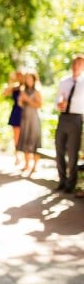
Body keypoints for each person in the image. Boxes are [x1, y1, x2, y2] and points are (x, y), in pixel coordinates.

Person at [54, 54, 84, 194]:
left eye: (79, 64)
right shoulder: (64, 81)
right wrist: (59, 104)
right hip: (63, 117)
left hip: (76, 119)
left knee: (73, 153)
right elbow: (57, 100)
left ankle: (71, 184)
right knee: (59, 150)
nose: (75, 66)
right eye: (74, 63)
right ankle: (62, 180)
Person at [16, 70, 43, 176]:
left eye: (30, 78)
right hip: (25, 118)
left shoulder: (37, 91)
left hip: (34, 118)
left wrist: (27, 99)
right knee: (25, 139)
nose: (28, 80)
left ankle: (35, 165)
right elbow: (21, 104)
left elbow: (39, 105)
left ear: (34, 79)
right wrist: (21, 101)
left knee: (34, 140)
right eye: (26, 78)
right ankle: (27, 164)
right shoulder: (23, 90)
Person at [3, 70, 25, 165]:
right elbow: (5, 93)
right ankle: (17, 156)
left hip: (25, 112)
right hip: (16, 112)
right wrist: (11, 80)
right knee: (16, 136)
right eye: (17, 75)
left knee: (25, 135)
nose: (19, 77)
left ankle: (25, 156)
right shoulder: (15, 87)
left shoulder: (27, 87)